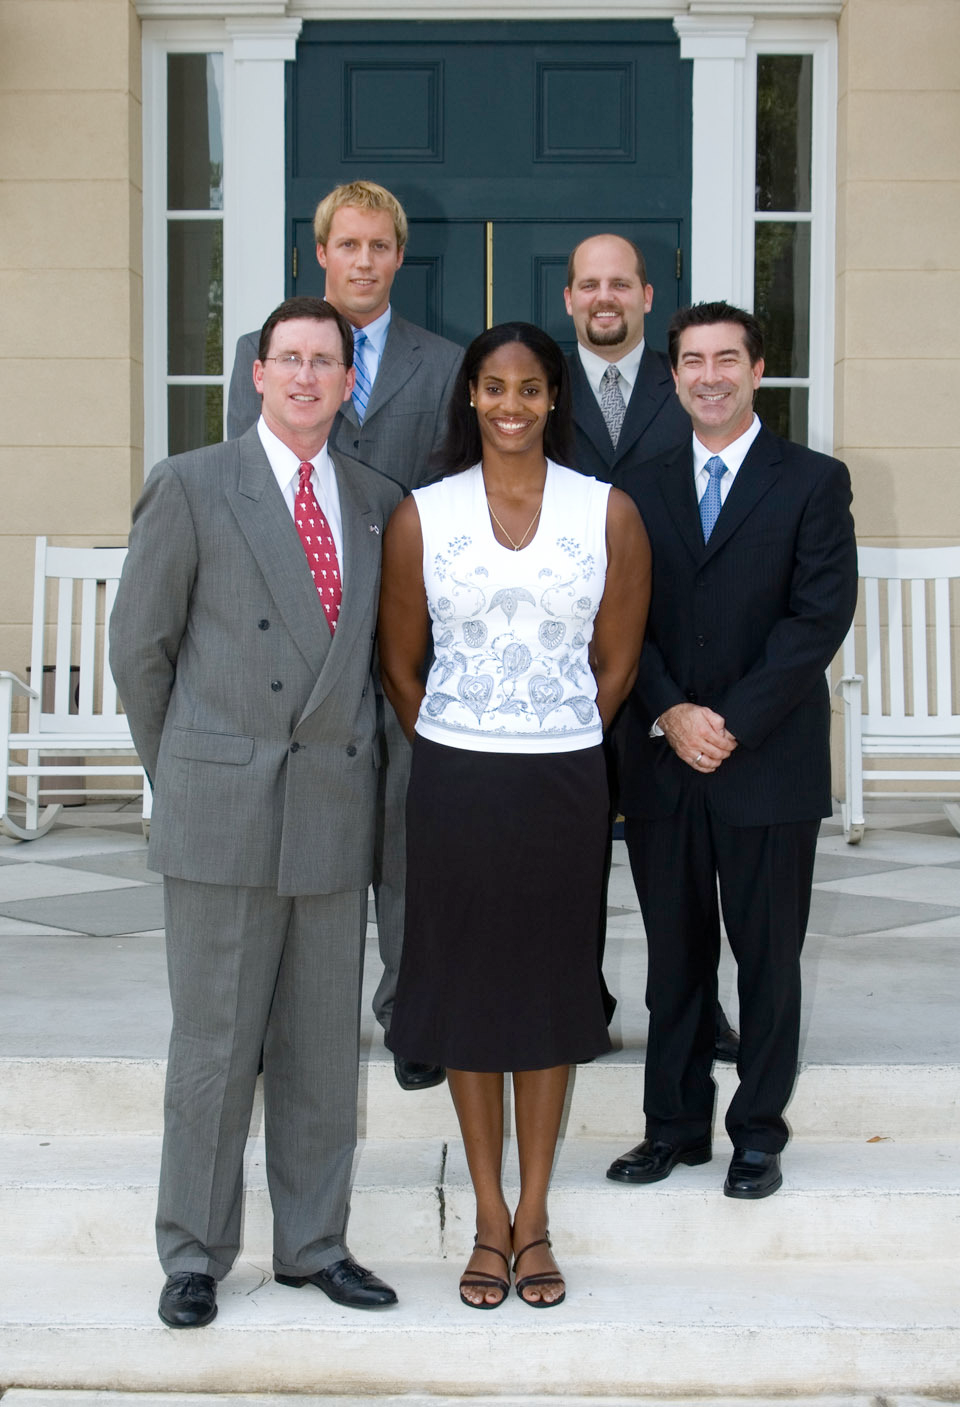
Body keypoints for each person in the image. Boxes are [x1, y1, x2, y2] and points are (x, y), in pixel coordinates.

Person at [110, 296, 402, 1329]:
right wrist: (191, 771)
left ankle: (314, 1244)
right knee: (215, 1047)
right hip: (221, 812)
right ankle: (193, 1252)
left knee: (323, 1048)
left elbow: (377, 666)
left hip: (330, 807)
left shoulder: (374, 499)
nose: (310, 376)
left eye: (328, 361)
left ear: (347, 380)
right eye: (292, 359)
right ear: (258, 374)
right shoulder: (193, 486)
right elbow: (139, 653)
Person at [377, 322, 651, 1307]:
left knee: (544, 996)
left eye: (529, 389)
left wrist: (551, 730)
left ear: (553, 400)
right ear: (470, 397)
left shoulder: (606, 512)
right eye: (492, 388)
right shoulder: (425, 514)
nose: (509, 406)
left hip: (562, 784)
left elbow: (616, 665)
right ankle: (487, 1218)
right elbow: (400, 663)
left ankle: (534, 1218)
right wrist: (466, 735)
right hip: (455, 782)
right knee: (465, 997)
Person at [608, 301, 857, 1199]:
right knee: (674, 957)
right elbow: (619, 613)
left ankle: (757, 1130)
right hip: (666, 761)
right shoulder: (636, 481)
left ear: (758, 370)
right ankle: (672, 1127)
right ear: (671, 376)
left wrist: (729, 722)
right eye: (691, 361)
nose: (708, 375)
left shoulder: (813, 481)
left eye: (727, 358)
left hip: (769, 763)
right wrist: (673, 711)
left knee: (766, 957)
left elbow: (817, 618)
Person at [228, 180, 463, 1093]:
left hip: (407, 638)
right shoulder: (265, 351)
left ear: (400, 257)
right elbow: (248, 493)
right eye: (347, 245)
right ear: (320, 253)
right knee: (294, 834)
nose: (363, 261)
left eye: (379, 246)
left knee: (408, 831)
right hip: (296, 641)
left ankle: (408, 1010)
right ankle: (280, 1009)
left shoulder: (442, 365)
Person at [564, 233, 740, 1063]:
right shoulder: (538, 383)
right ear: (570, 298)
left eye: (621, 283)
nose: (606, 296)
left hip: (667, 660)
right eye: (590, 284)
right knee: (562, 850)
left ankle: (696, 1010)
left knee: (679, 867)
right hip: (562, 665)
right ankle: (574, 1002)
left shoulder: (693, 389)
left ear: (645, 295)